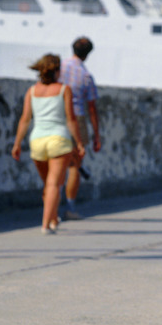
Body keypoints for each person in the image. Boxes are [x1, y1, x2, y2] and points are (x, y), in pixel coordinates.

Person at [11, 53, 84, 233]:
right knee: (54, 184)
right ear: (57, 70)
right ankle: (45, 224)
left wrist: (17, 143)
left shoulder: (32, 91)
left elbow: (25, 119)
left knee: (48, 185)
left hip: (37, 140)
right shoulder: (63, 90)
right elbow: (71, 120)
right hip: (58, 140)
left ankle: (53, 220)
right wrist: (79, 143)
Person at [59, 37, 101, 220]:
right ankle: (70, 208)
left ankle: (50, 209)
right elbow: (92, 108)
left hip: (55, 117)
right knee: (74, 166)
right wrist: (96, 135)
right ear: (88, 54)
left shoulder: (58, 67)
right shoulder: (85, 76)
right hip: (77, 118)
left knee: (55, 164)